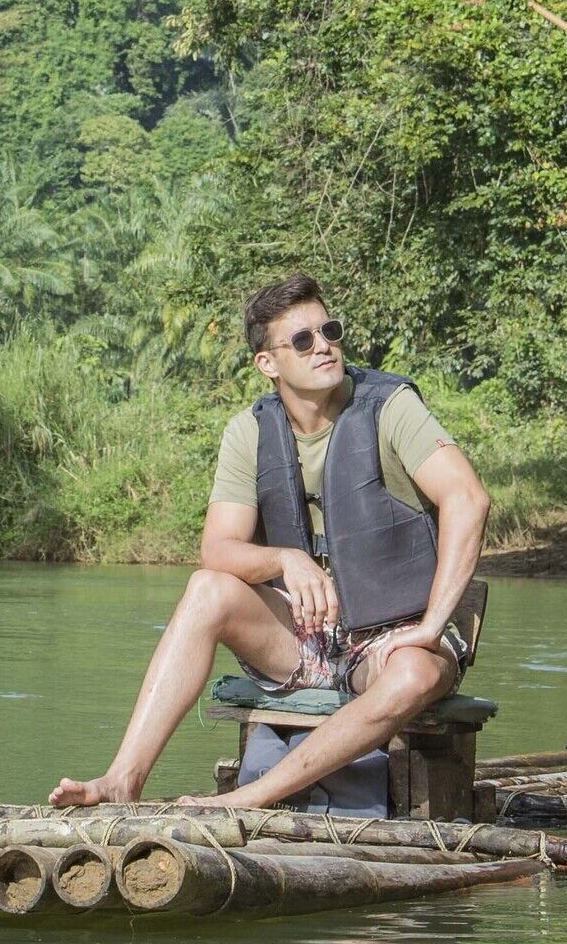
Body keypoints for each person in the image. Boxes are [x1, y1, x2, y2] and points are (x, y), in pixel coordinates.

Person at [52, 275, 490, 810]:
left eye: (329, 330)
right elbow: (218, 551)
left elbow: (468, 499)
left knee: (416, 674)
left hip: (392, 636)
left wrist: (429, 627)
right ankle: (122, 779)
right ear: (268, 363)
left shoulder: (389, 407)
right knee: (207, 589)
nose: (323, 345)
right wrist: (287, 558)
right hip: (306, 636)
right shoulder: (250, 432)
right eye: (301, 340)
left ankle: (249, 799)